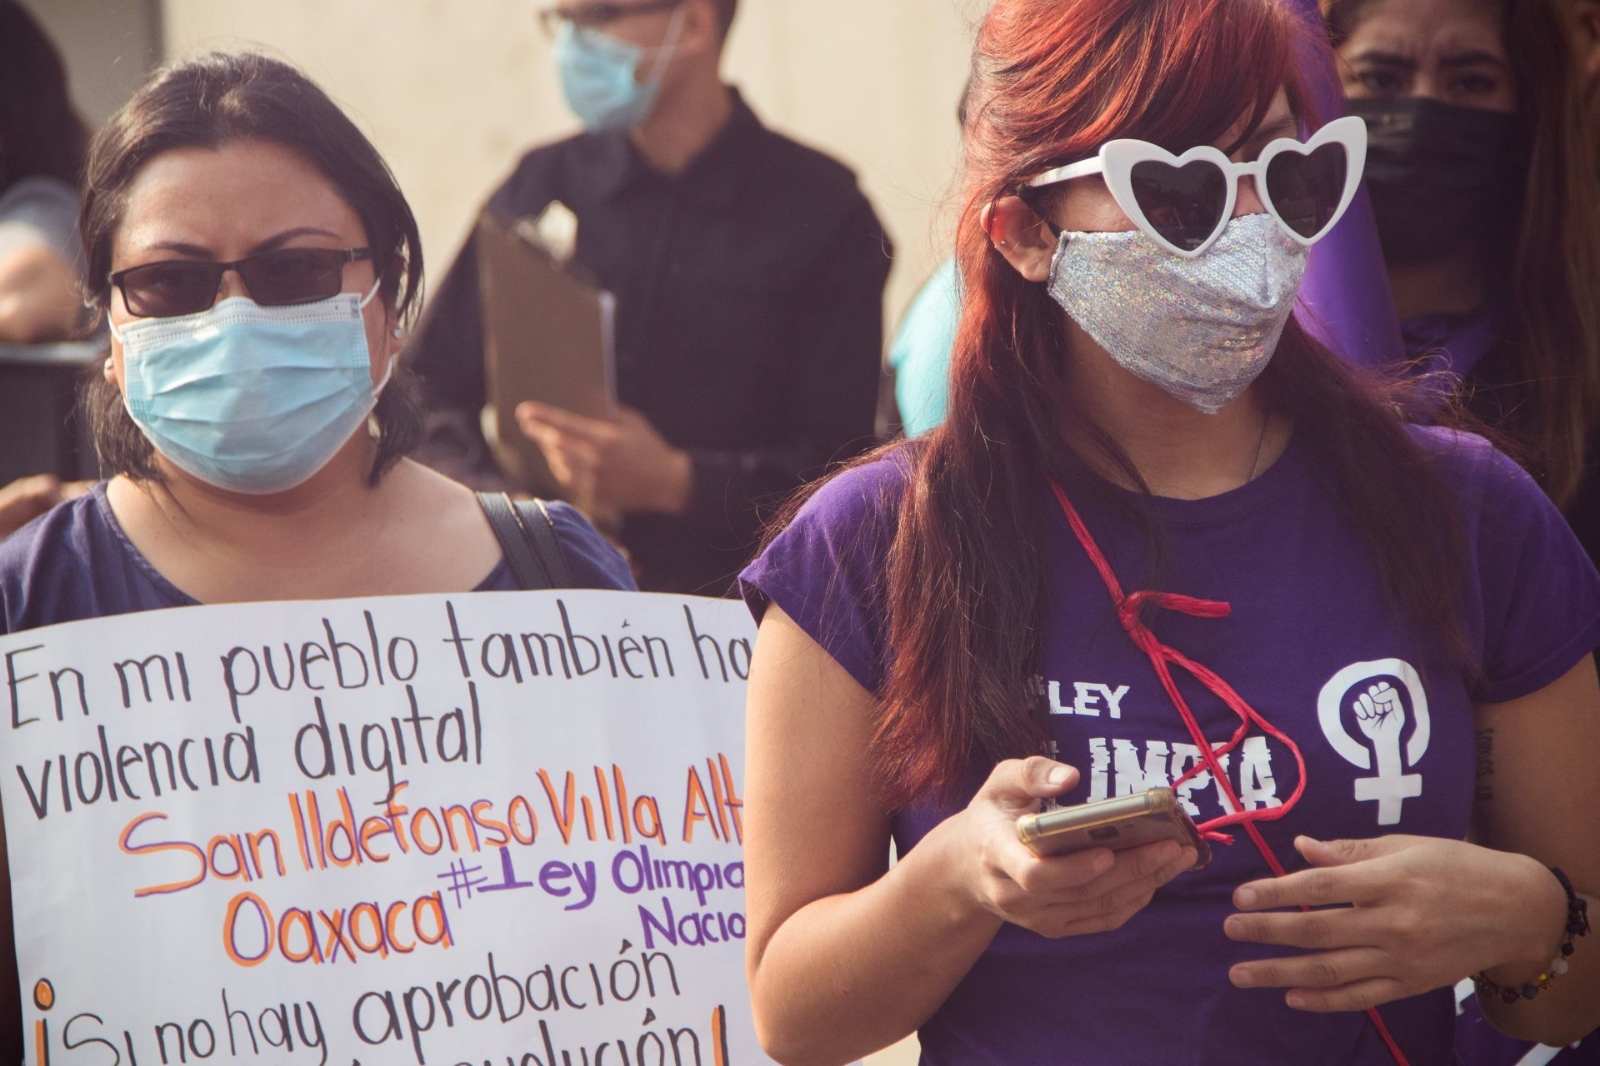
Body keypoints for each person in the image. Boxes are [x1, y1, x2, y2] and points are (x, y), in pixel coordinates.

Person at [738, 1, 1600, 1064]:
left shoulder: (1472, 512)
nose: (1249, 226)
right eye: (1181, 188)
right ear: (1020, 231)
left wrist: (1527, 915)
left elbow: (1565, 995)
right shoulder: (868, 542)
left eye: (1286, 175)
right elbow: (792, 1015)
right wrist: (958, 878)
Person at [0, 52, 635, 1055]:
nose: (235, 317)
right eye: (170, 282)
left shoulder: (560, 581)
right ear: (111, 335)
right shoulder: (28, 610)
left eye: (294, 270)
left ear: (387, 303)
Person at [404, 0, 892, 596]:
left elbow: (842, 471)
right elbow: (420, 396)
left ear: (692, 25)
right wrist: (521, 517)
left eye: (599, 17)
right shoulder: (539, 185)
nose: (572, 45)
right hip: (548, 613)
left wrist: (675, 481)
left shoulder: (823, 213)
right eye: (562, 21)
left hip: (744, 617)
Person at [1324, 0, 1600, 566]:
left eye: (1471, 81)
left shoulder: (1580, 372)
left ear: (1530, 113)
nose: (1423, 105)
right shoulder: (1244, 345)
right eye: (1380, 77)